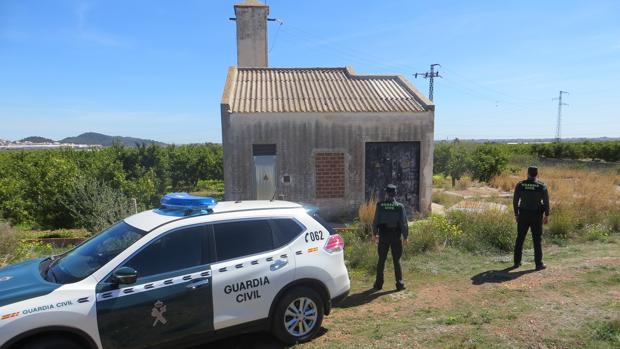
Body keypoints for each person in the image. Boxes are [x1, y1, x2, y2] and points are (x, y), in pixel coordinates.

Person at [513, 166, 550, 271]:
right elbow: (546, 202)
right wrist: (546, 215)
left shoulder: (520, 185)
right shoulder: (541, 186)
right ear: (537, 174)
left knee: (520, 239)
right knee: (537, 240)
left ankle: (516, 263)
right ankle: (538, 264)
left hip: (523, 215)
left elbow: (515, 201)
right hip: (536, 216)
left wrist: (516, 214)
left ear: (527, 173)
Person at [372, 184, 409, 291]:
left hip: (383, 235)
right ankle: (400, 284)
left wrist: (374, 234)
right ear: (395, 194)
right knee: (397, 260)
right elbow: (404, 223)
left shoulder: (380, 205)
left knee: (381, 260)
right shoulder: (399, 207)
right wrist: (405, 236)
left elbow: (375, 222)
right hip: (396, 236)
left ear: (386, 193)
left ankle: (378, 284)